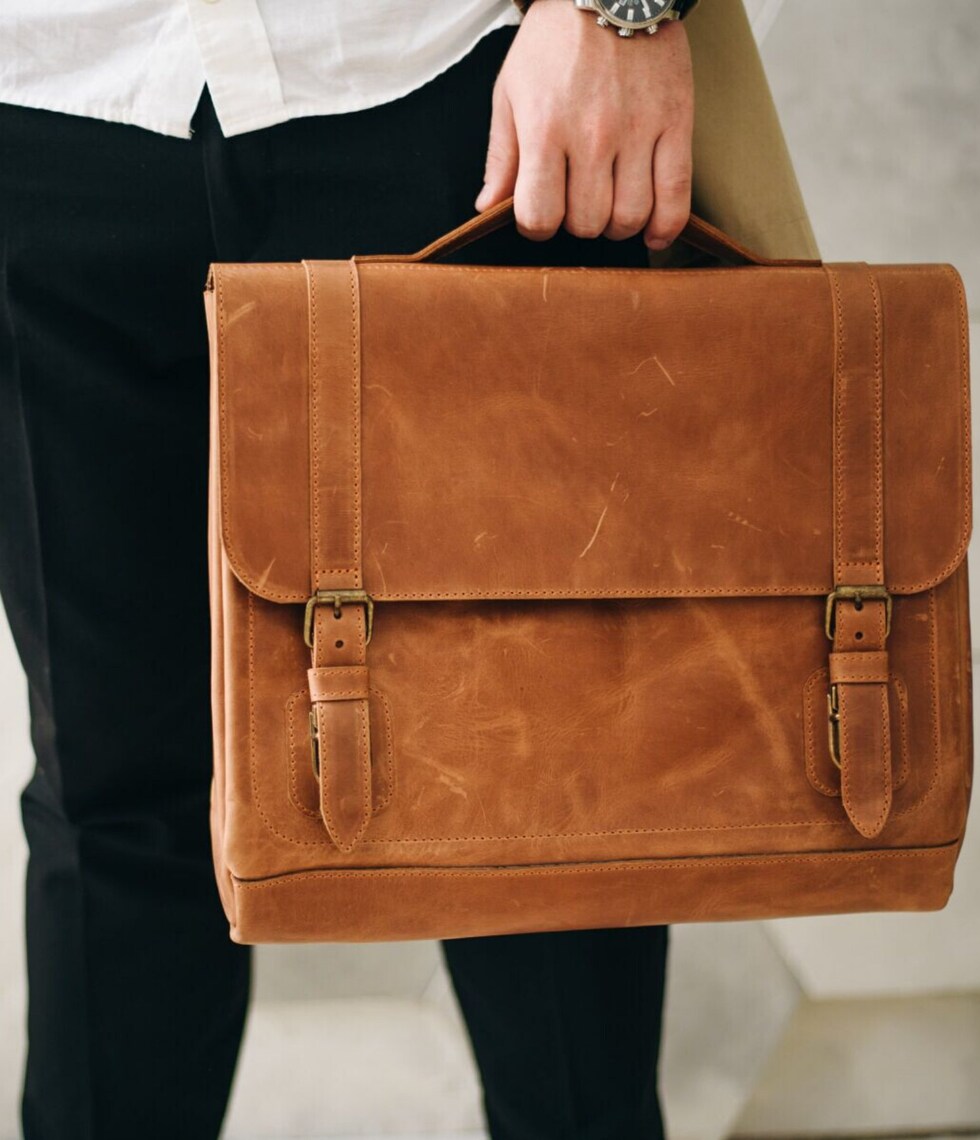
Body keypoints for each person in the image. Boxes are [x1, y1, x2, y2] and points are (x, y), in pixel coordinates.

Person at [0, 1, 707, 1137]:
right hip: (46, 112)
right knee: (109, 788)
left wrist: (619, 8)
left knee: (543, 776)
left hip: (449, 100)